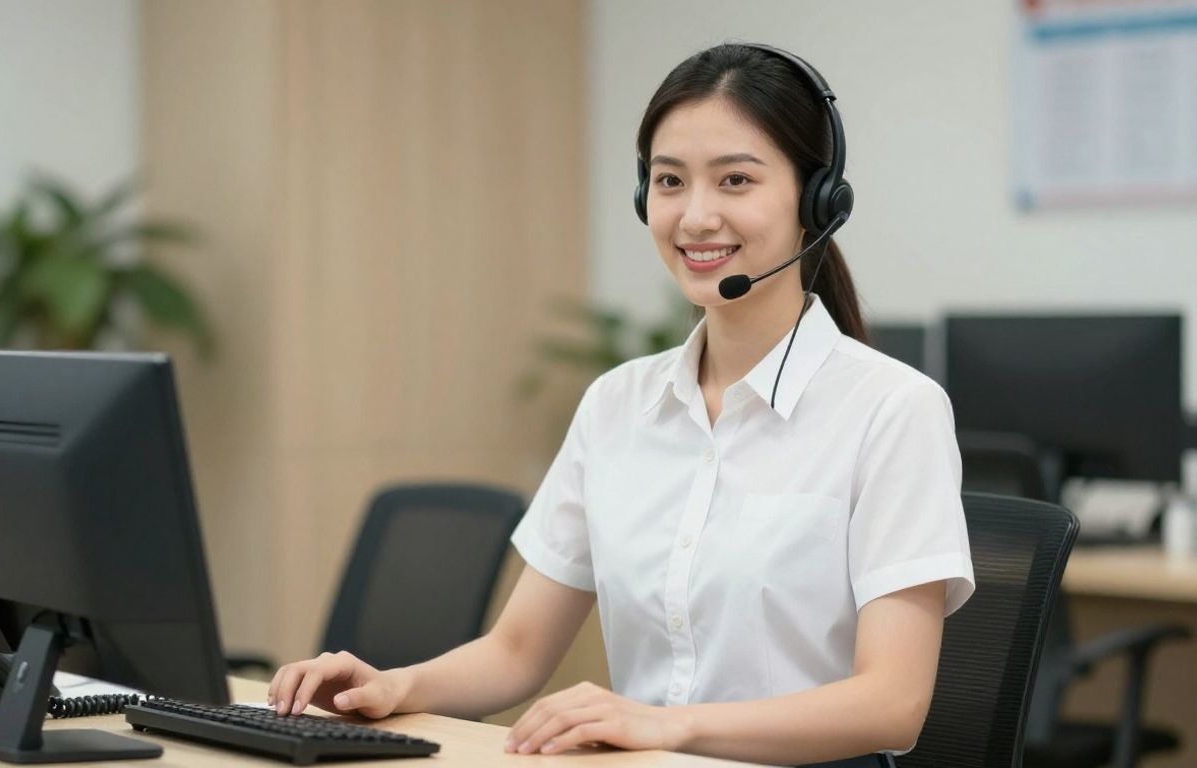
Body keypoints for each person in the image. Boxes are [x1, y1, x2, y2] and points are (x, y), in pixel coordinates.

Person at [267, 42, 974, 768]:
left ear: (817, 200)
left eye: (735, 180)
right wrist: (391, 686)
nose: (696, 216)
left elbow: (892, 702)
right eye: (670, 181)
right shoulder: (616, 404)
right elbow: (516, 652)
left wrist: (671, 726)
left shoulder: (892, 409)